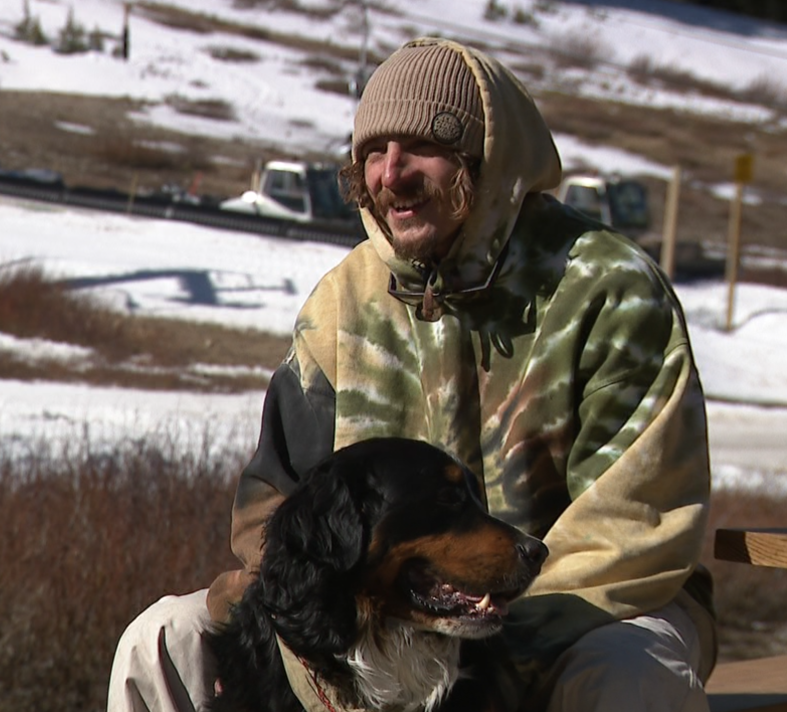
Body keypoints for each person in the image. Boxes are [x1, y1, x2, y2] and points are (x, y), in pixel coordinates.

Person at [108, 37, 716, 712]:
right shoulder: (343, 300)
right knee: (162, 638)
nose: (391, 173)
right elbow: (275, 505)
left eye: (420, 147)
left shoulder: (607, 289)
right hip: (378, 611)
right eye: (373, 152)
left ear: (485, 162)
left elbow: (633, 523)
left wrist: (481, 629)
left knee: (627, 673)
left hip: (586, 607)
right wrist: (313, 626)